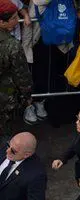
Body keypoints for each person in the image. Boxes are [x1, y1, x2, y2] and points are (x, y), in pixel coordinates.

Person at [0, 0, 32, 140]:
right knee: (5, 134)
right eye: (13, 18)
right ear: (2, 22)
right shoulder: (12, 45)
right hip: (6, 97)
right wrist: (27, 96)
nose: (16, 20)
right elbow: (22, 76)